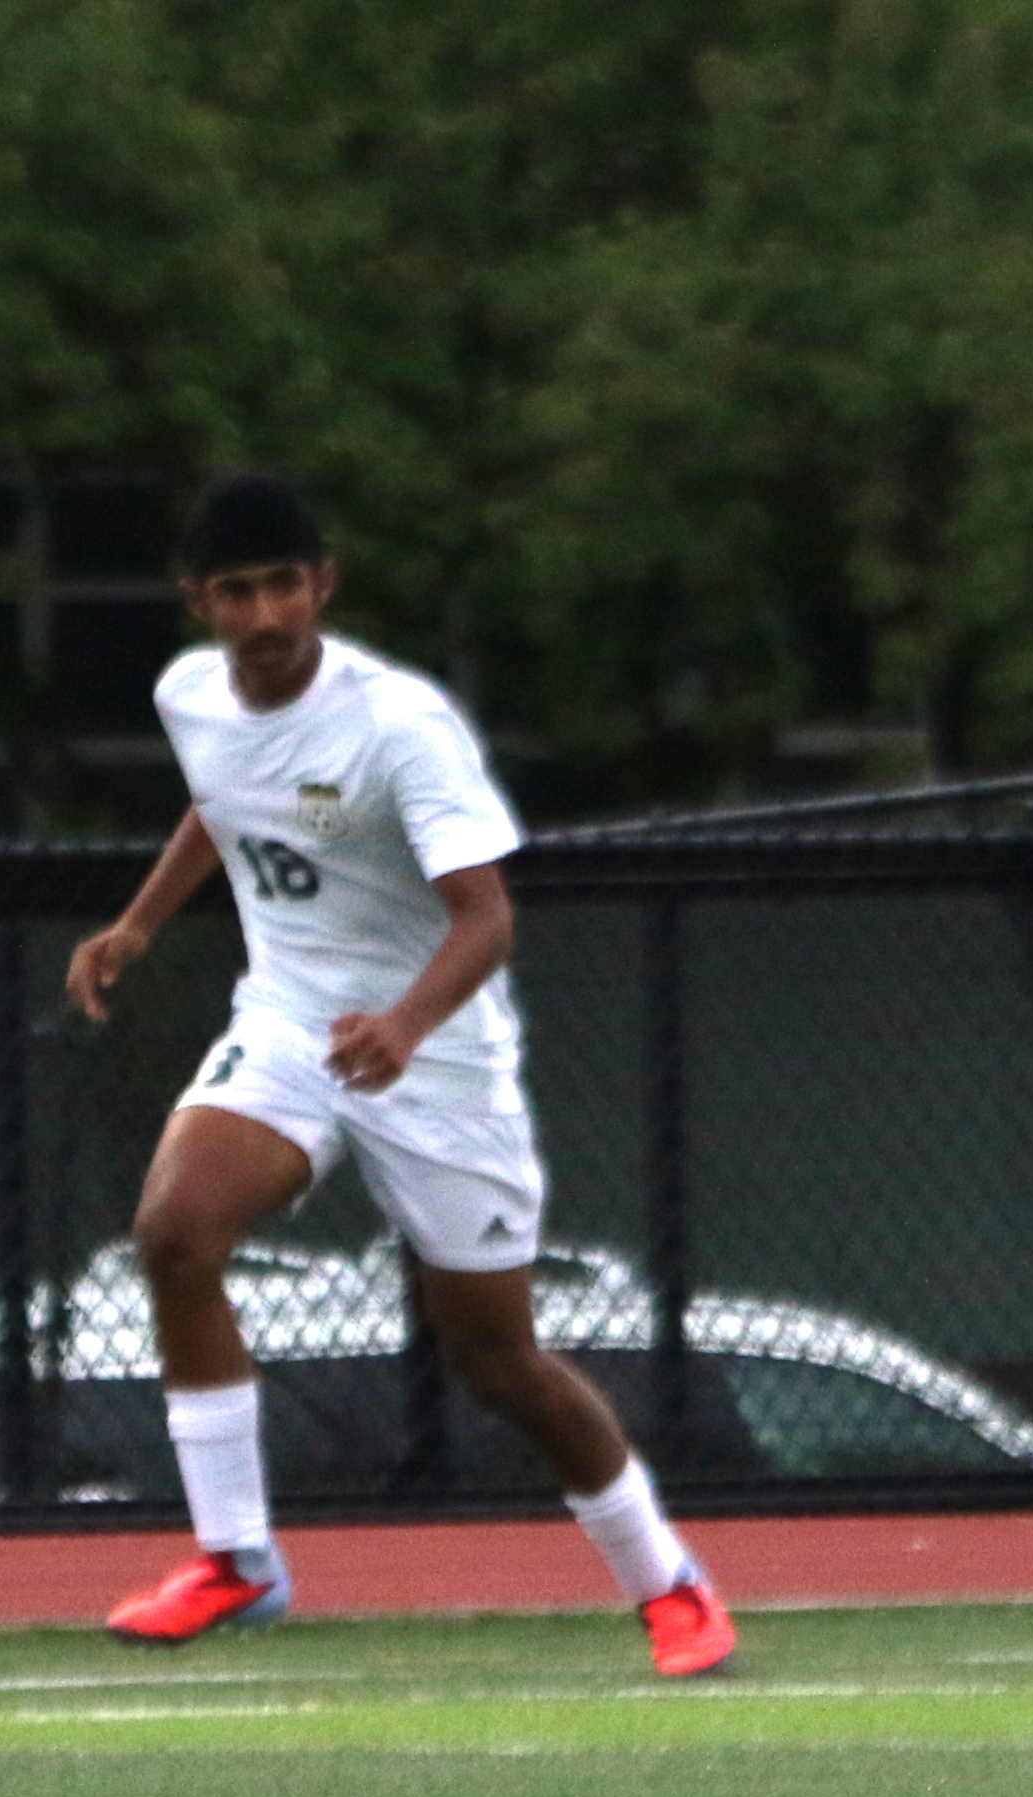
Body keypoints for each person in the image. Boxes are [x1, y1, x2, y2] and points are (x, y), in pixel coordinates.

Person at [63, 474, 734, 1677]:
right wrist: (138, 923)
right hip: (288, 1025)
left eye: (284, 584)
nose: (264, 614)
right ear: (198, 601)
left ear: (324, 584)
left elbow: (486, 917)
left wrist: (407, 1026)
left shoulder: (399, 724)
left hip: (438, 1059)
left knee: (497, 1361)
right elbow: (225, 802)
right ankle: (237, 1561)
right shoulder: (189, 696)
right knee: (174, 1234)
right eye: (236, 591)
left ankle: (669, 1583)